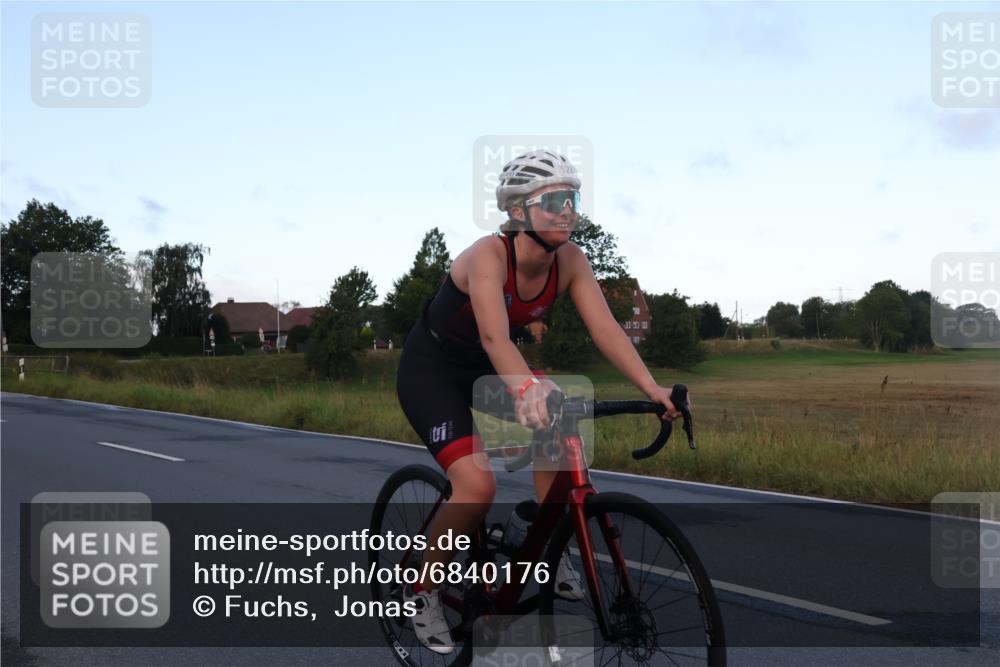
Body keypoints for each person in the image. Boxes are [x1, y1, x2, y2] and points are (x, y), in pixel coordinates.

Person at [395, 150, 683, 654]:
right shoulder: (487, 256)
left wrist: (652, 389)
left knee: (562, 418)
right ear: (518, 211)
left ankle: (544, 535)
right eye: (553, 201)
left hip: (488, 367)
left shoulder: (571, 261)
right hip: (433, 371)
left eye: (571, 199)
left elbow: (606, 330)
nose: (567, 210)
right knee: (476, 485)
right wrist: (525, 389)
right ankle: (419, 589)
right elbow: (494, 337)